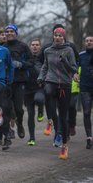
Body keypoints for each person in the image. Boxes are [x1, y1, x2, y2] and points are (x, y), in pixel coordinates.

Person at [37, 27, 77, 159]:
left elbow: (73, 69)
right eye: (56, 35)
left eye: (60, 35)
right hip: (51, 80)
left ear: (64, 37)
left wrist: (64, 61)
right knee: (47, 92)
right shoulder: (48, 51)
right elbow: (45, 66)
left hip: (65, 84)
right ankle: (50, 121)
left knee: (63, 116)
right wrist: (41, 77)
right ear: (53, 36)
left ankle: (64, 146)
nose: (58, 37)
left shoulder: (69, 50)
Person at [3, 24, 34, 139]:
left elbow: (31, 62)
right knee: (7, 107)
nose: (9, 33)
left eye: (12, 31)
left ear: (16, 33)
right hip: (6, 81)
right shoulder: (2, 47)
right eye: (7, 31)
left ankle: (19, 124)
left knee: (19, 109)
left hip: (20, 81)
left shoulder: (23, 46)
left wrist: (21, 64)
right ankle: (8, 131)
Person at [24, 38, 45, 146]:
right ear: (30, 46)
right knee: (30, 114)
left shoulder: (43, 58)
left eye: (37, 44)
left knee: (39, 99)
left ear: (40, 46)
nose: (35, 46)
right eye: (33, 45)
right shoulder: (26, 57)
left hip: (39, 87)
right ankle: (32, 138)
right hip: (27, 89)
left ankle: (41, 109)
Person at [78, 35, 93, 149]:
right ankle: (89, 137)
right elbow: (74, 67)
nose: (89, 42)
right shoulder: (81, 55)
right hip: (85, 88)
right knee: (86, 112)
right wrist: (74, 74)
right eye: (87, 41)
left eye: (91, 41)